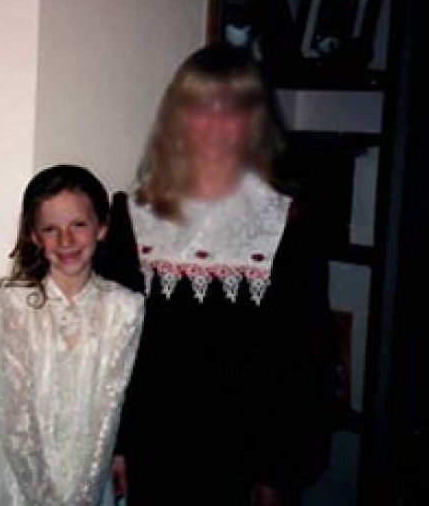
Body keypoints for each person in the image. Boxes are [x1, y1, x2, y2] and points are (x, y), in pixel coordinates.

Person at [96, 42, 337, 506]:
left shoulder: (286, 224)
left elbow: (305, 357)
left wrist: (279, 472)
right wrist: (117, 445)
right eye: (199, 107)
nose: (214, 124)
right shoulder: (132, 215)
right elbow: (114, 345)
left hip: (247, 455)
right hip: (154, 445)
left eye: (232, 109)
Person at [0, 163, 146, 506]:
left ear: (101, 227)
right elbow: (16, 414)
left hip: (89, 476)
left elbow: (107, 415)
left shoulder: (125, 307)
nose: (66, 241)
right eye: (50, 229)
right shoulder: (16, 303)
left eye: (78, 225)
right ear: (35, 237)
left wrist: (84, 494)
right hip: (21, 479)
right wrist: (45, 499)